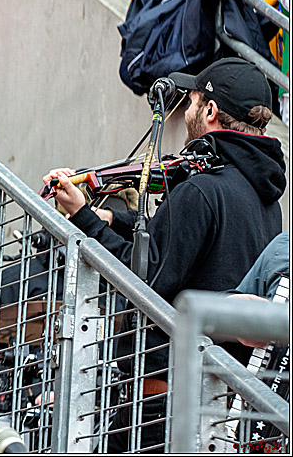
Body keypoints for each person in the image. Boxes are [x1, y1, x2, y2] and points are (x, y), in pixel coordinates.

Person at [43, 57, 285, 451]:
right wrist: (111, 218)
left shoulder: (201, 191)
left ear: (209, 111)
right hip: (214, 406)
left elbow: (144, 280)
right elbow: (183, 249)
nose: (185, 111)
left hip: (160, 404)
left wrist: (82, 217)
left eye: (190, 101)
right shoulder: (264, 201)